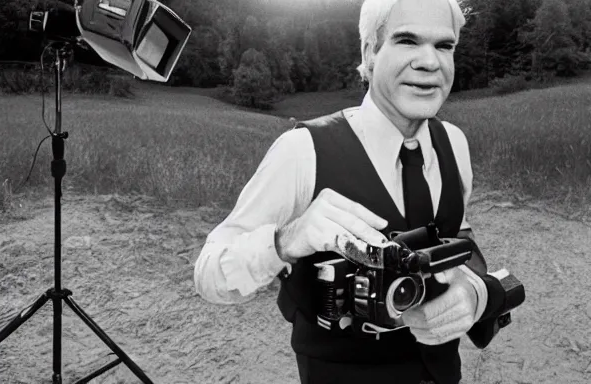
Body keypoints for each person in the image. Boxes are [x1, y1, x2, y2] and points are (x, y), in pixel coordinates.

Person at [194, 0, 517, 383]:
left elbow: (459, 235)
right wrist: (286, 241)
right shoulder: (303, 151)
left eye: (444, 46)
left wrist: (474, 290)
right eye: (407, 40)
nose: (430, 62)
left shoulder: (454, 143)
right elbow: (208, 274)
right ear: (370, 52)